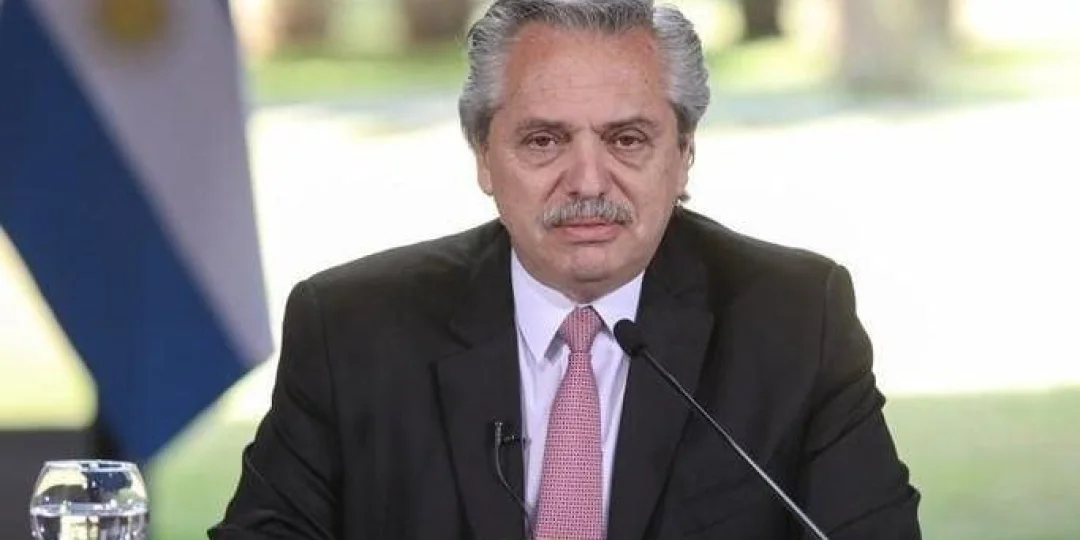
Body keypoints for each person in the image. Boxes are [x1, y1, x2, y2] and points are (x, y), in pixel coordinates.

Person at [210, 0, 921, 538]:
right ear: (484, 157)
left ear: (684, 154)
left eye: (627, 139)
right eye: (544, 140)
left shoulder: (794, 321)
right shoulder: (353, 330)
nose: (587, 181)